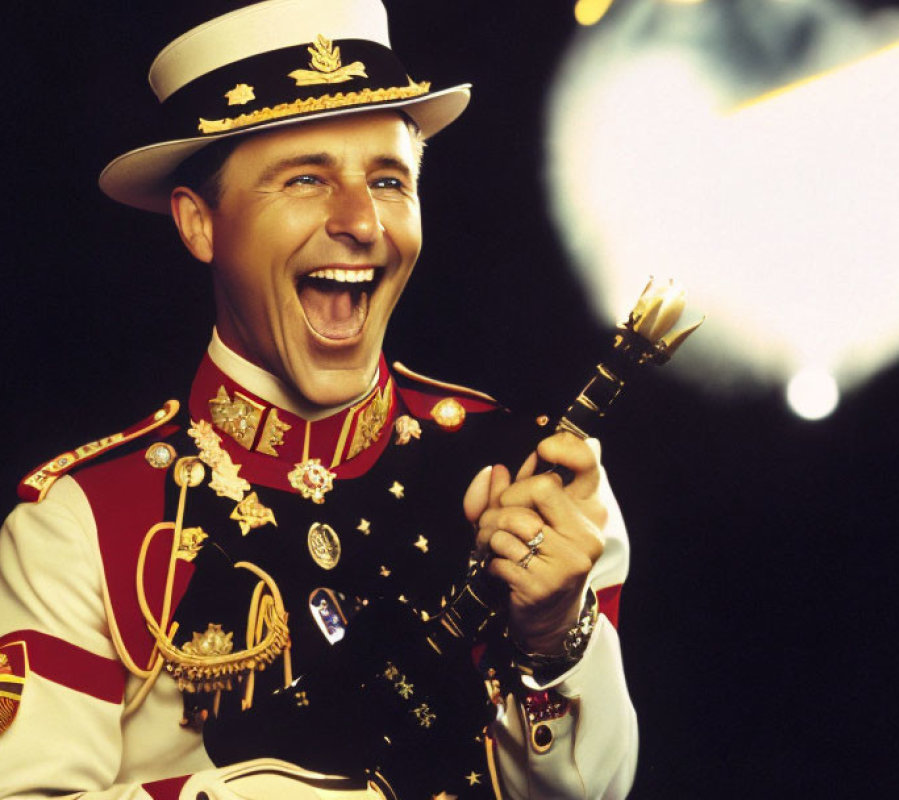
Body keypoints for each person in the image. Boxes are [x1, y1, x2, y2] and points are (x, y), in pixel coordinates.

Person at [0, 1, 637, 798]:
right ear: (200, 225)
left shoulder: (529, 474)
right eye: (306, 178)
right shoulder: (83, 523)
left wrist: (552, 638)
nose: (362, 221)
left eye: (388, 180)